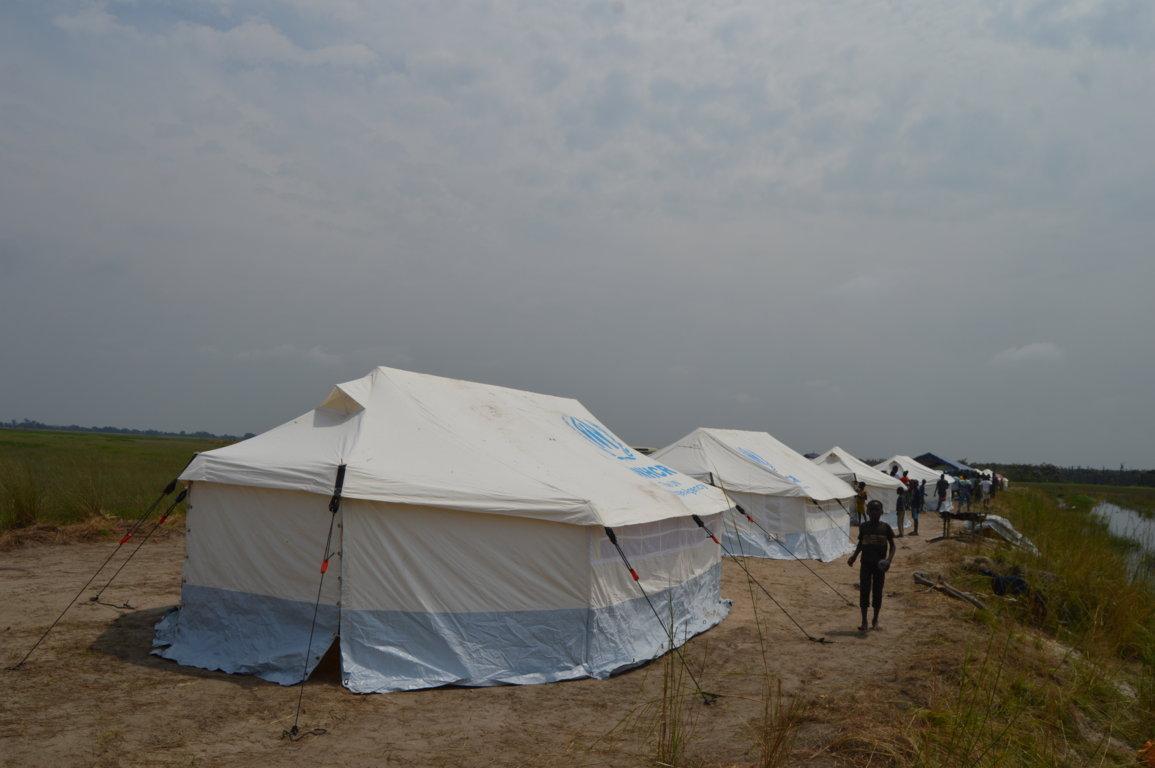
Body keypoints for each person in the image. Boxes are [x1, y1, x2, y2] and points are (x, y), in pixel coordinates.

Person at [848, 499, 896, 632]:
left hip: (880, 567)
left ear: (881, 512)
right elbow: (861, 544)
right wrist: (854, 557)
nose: (874, 512)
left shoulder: (885, 528)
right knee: (864, 591)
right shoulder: (864, 527)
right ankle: (864, 620)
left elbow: (893, 546)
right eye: (872, 510)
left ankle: (875, 619)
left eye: (877, 510)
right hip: (866, 564)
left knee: (877, 591)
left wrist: (888, 561)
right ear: (867, 512)